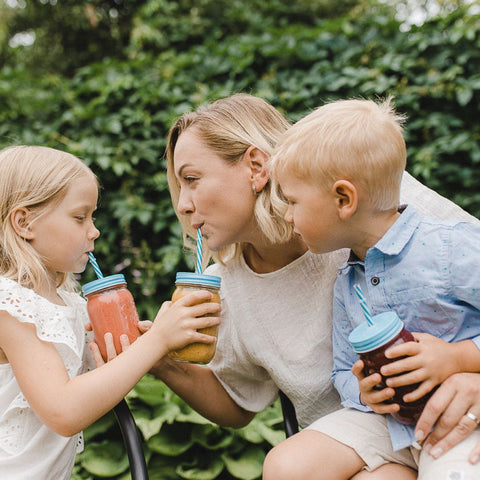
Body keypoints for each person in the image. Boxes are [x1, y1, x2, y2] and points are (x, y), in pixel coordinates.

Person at [148, 93, 478, 480]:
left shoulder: (376, 198)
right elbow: (239, 401)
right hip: (364, 440)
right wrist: (160, 360)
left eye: (191, 179)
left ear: (256, 166)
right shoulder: (226, 286)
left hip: (453, 421)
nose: (182, 206)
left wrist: (469, 371)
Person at [263, 97, 480, 480]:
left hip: (455, 417)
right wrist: (363, 391)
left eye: (293, 200)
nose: (286, 214)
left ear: (343, 199)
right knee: (286, 466)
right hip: (383, 421)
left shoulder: (452, 248)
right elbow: (344, 369)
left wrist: (458, 358)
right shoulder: (349, 279)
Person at [0, 145, 221, 479]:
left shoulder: (68, 304)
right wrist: (156, 342)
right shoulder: (11, 306)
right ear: (24, 222)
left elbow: (90, 387)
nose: (94, 231)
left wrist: (136, 346)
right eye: (79, 217)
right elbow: (63, 410)